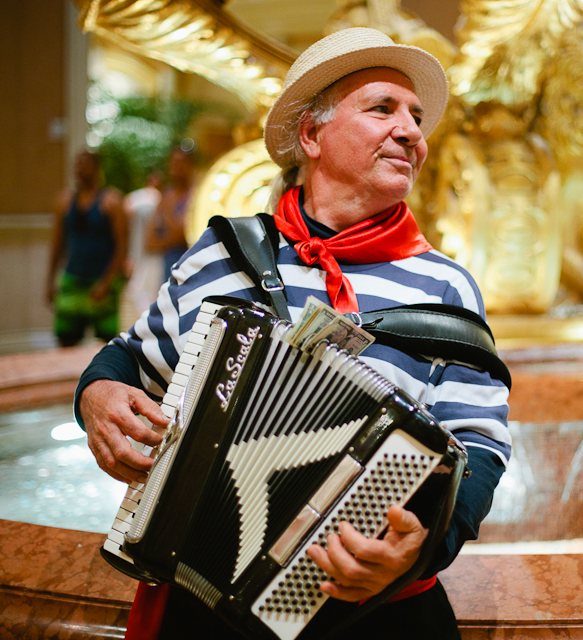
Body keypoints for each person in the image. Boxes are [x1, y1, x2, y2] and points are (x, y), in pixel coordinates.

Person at [74, 27, 511, 640]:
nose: (412, 132)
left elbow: (481, 448)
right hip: (199, 607)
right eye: (382, 108)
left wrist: (421, 549)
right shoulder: (225, 254)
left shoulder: (447, 288)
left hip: (367, 615)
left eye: (416, 117)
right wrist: (97, 398)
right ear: (312, 135)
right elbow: (127, 360)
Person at [46, 150, 127, 347]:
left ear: (97, 168)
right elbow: (57, 244)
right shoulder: (64, 201)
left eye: (86, 163)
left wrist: (107, 283)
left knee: (106, 344)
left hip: (100, 281)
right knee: (66, 340)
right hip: (72, 279)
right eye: (78, 163)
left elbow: (122, 246)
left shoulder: (112, 201)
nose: (81, 168)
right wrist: (50, 280)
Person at [121, 172, 165, 325]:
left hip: (149, 253)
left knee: (142, 293)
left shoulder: (135, 199)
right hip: (147, 252)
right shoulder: (159, 198)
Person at [145, 147, 195, 282]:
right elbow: (149, 242)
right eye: (173, 162)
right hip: (167, 268)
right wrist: (172, 241)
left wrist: (167, 206)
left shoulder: (195, 195)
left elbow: (181, 234)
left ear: (190, 165)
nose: (176, 167)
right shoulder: (166, 196)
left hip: (189, 268)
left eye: (181, 162)